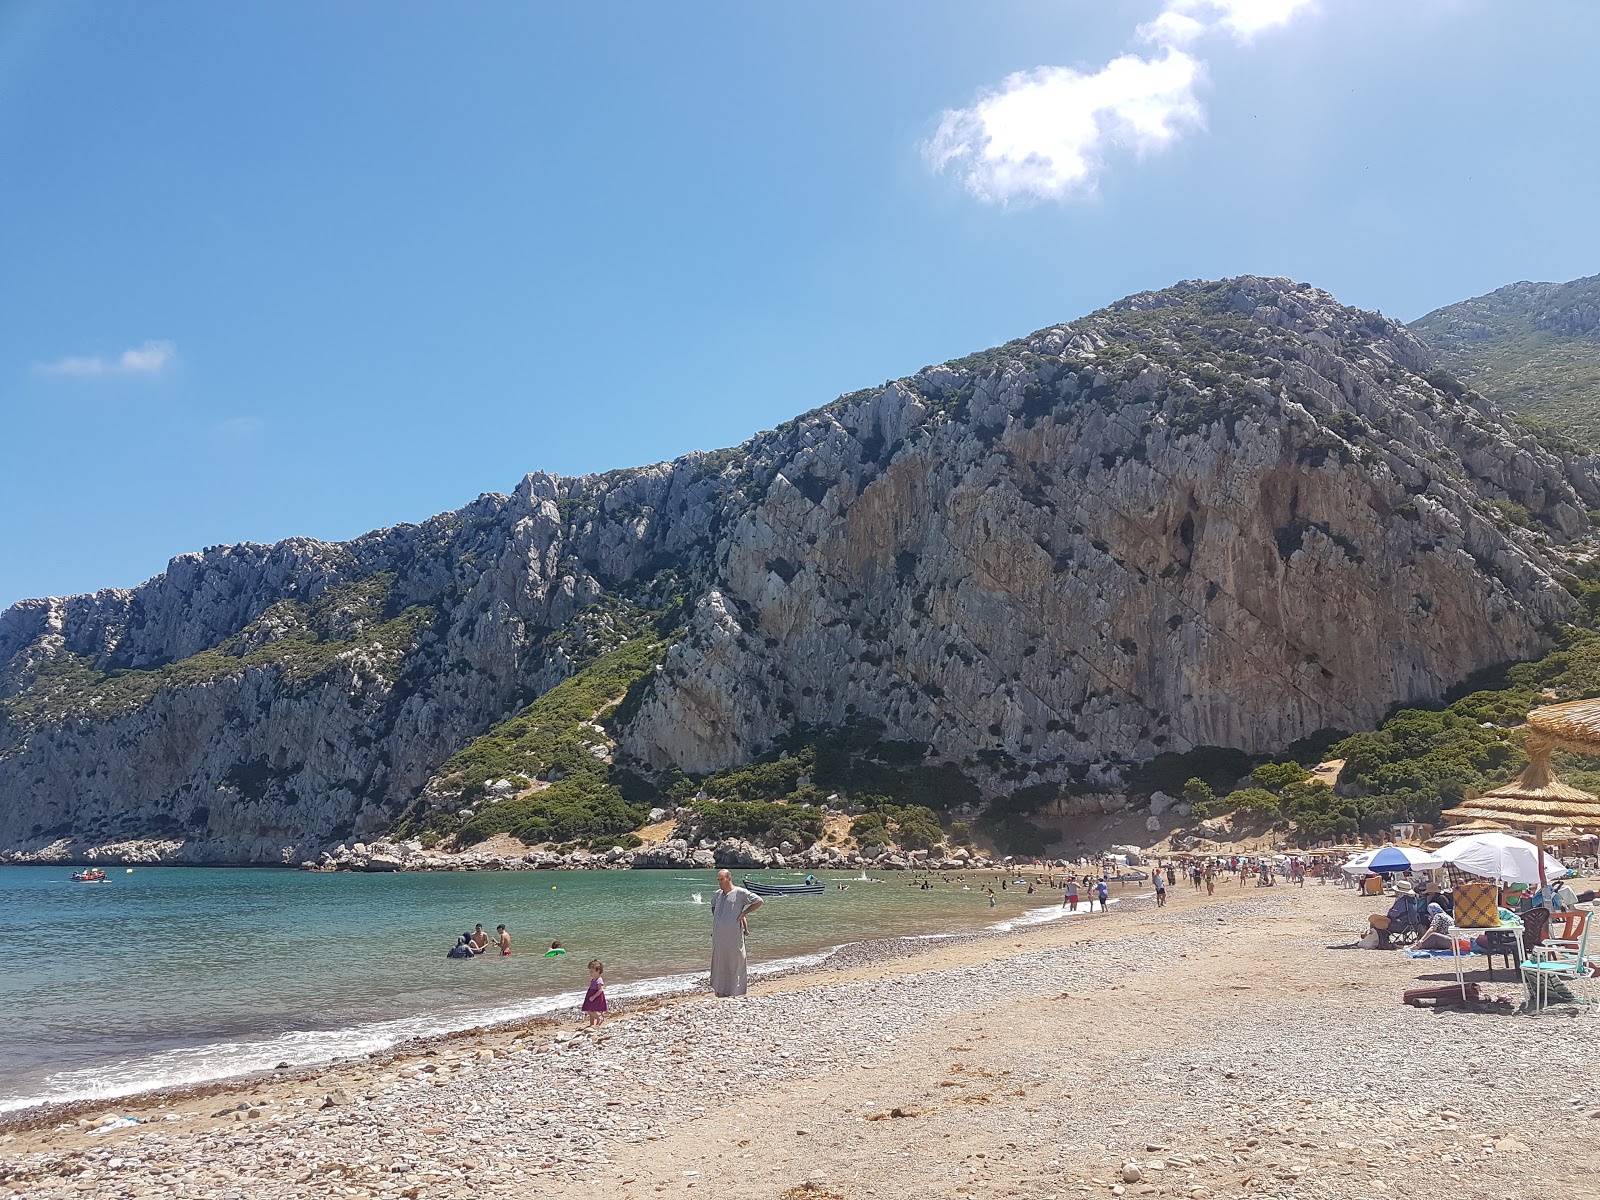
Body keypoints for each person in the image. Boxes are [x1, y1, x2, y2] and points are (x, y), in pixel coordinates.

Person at [710, 869, 763, 998]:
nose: (719, 883)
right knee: (720, 961)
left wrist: (744, 913)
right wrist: (719, 921)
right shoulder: (717, 894)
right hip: (719, 937)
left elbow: (759, 901)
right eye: (718, 880)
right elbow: (713, 907)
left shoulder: (740, 893)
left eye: (721, 879)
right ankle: (720, 990)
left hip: (733, 936)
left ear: (729, 878)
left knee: (735, 960)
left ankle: (736, 990)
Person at [582, 960, 607, 1027]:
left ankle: (599, 1018)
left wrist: (593, 997)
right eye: (590, 971)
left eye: (592, 972)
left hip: (595, 997)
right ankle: (591, 1024)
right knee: (590, 1010)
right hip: (591, 995)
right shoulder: (593, 979)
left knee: (590, 1010)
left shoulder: (599, 979)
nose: (590, 973)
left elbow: (600, 990)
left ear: (598, 971)